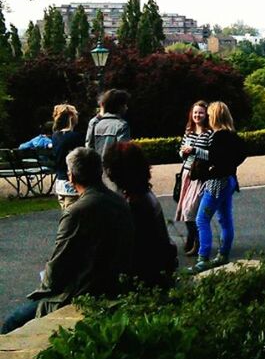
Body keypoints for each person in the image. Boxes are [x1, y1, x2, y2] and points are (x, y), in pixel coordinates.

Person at [1, 147, 133, 333]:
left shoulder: (77, 212)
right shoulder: (119, 202)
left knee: (13, 323)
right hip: (113, 283)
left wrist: (44, 288)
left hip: (84, 291)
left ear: (71, 176)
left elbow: (59, 261)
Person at [103, 141, 177, 287]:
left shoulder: (134, 204)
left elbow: (127, 252)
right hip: (157, 269)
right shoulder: (144, 194)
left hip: (145, 277)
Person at [190, 101, 247, 273]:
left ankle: (203, 257)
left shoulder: (218, 136)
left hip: (216, 183)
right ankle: (223, 254)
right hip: (230, 180)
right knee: (225, 219)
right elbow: (242, 154)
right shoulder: (233, 135)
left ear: (214, 116)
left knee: (202, 219)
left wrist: (200, 158)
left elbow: (213, 157)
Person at [175, 101, 213, 256]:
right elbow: (181, 153)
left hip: (199, 176)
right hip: (186, 173)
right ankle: (192, 237)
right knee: (184, 208)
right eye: (195, 112)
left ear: (206, 115)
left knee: (191, 209)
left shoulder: (209, 133)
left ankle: (198, 242)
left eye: (201, 113)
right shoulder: (188, 131)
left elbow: (211, 155)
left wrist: (195, 150)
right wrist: (183, 153)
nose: (197, 115)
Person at [50, 103, 85, 211]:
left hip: (60, 181)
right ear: (71, 117)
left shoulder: (55, 136)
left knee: (66, 214)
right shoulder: (75, 138)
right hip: (72, 182)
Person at [85, 89, 131, 158]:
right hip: (114, 167)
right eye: (124, 105)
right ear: (119, 106)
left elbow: (89, 148)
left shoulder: (97, 124)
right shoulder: (122, 125)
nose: (126, 108)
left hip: (99, 166)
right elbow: (124, 152)